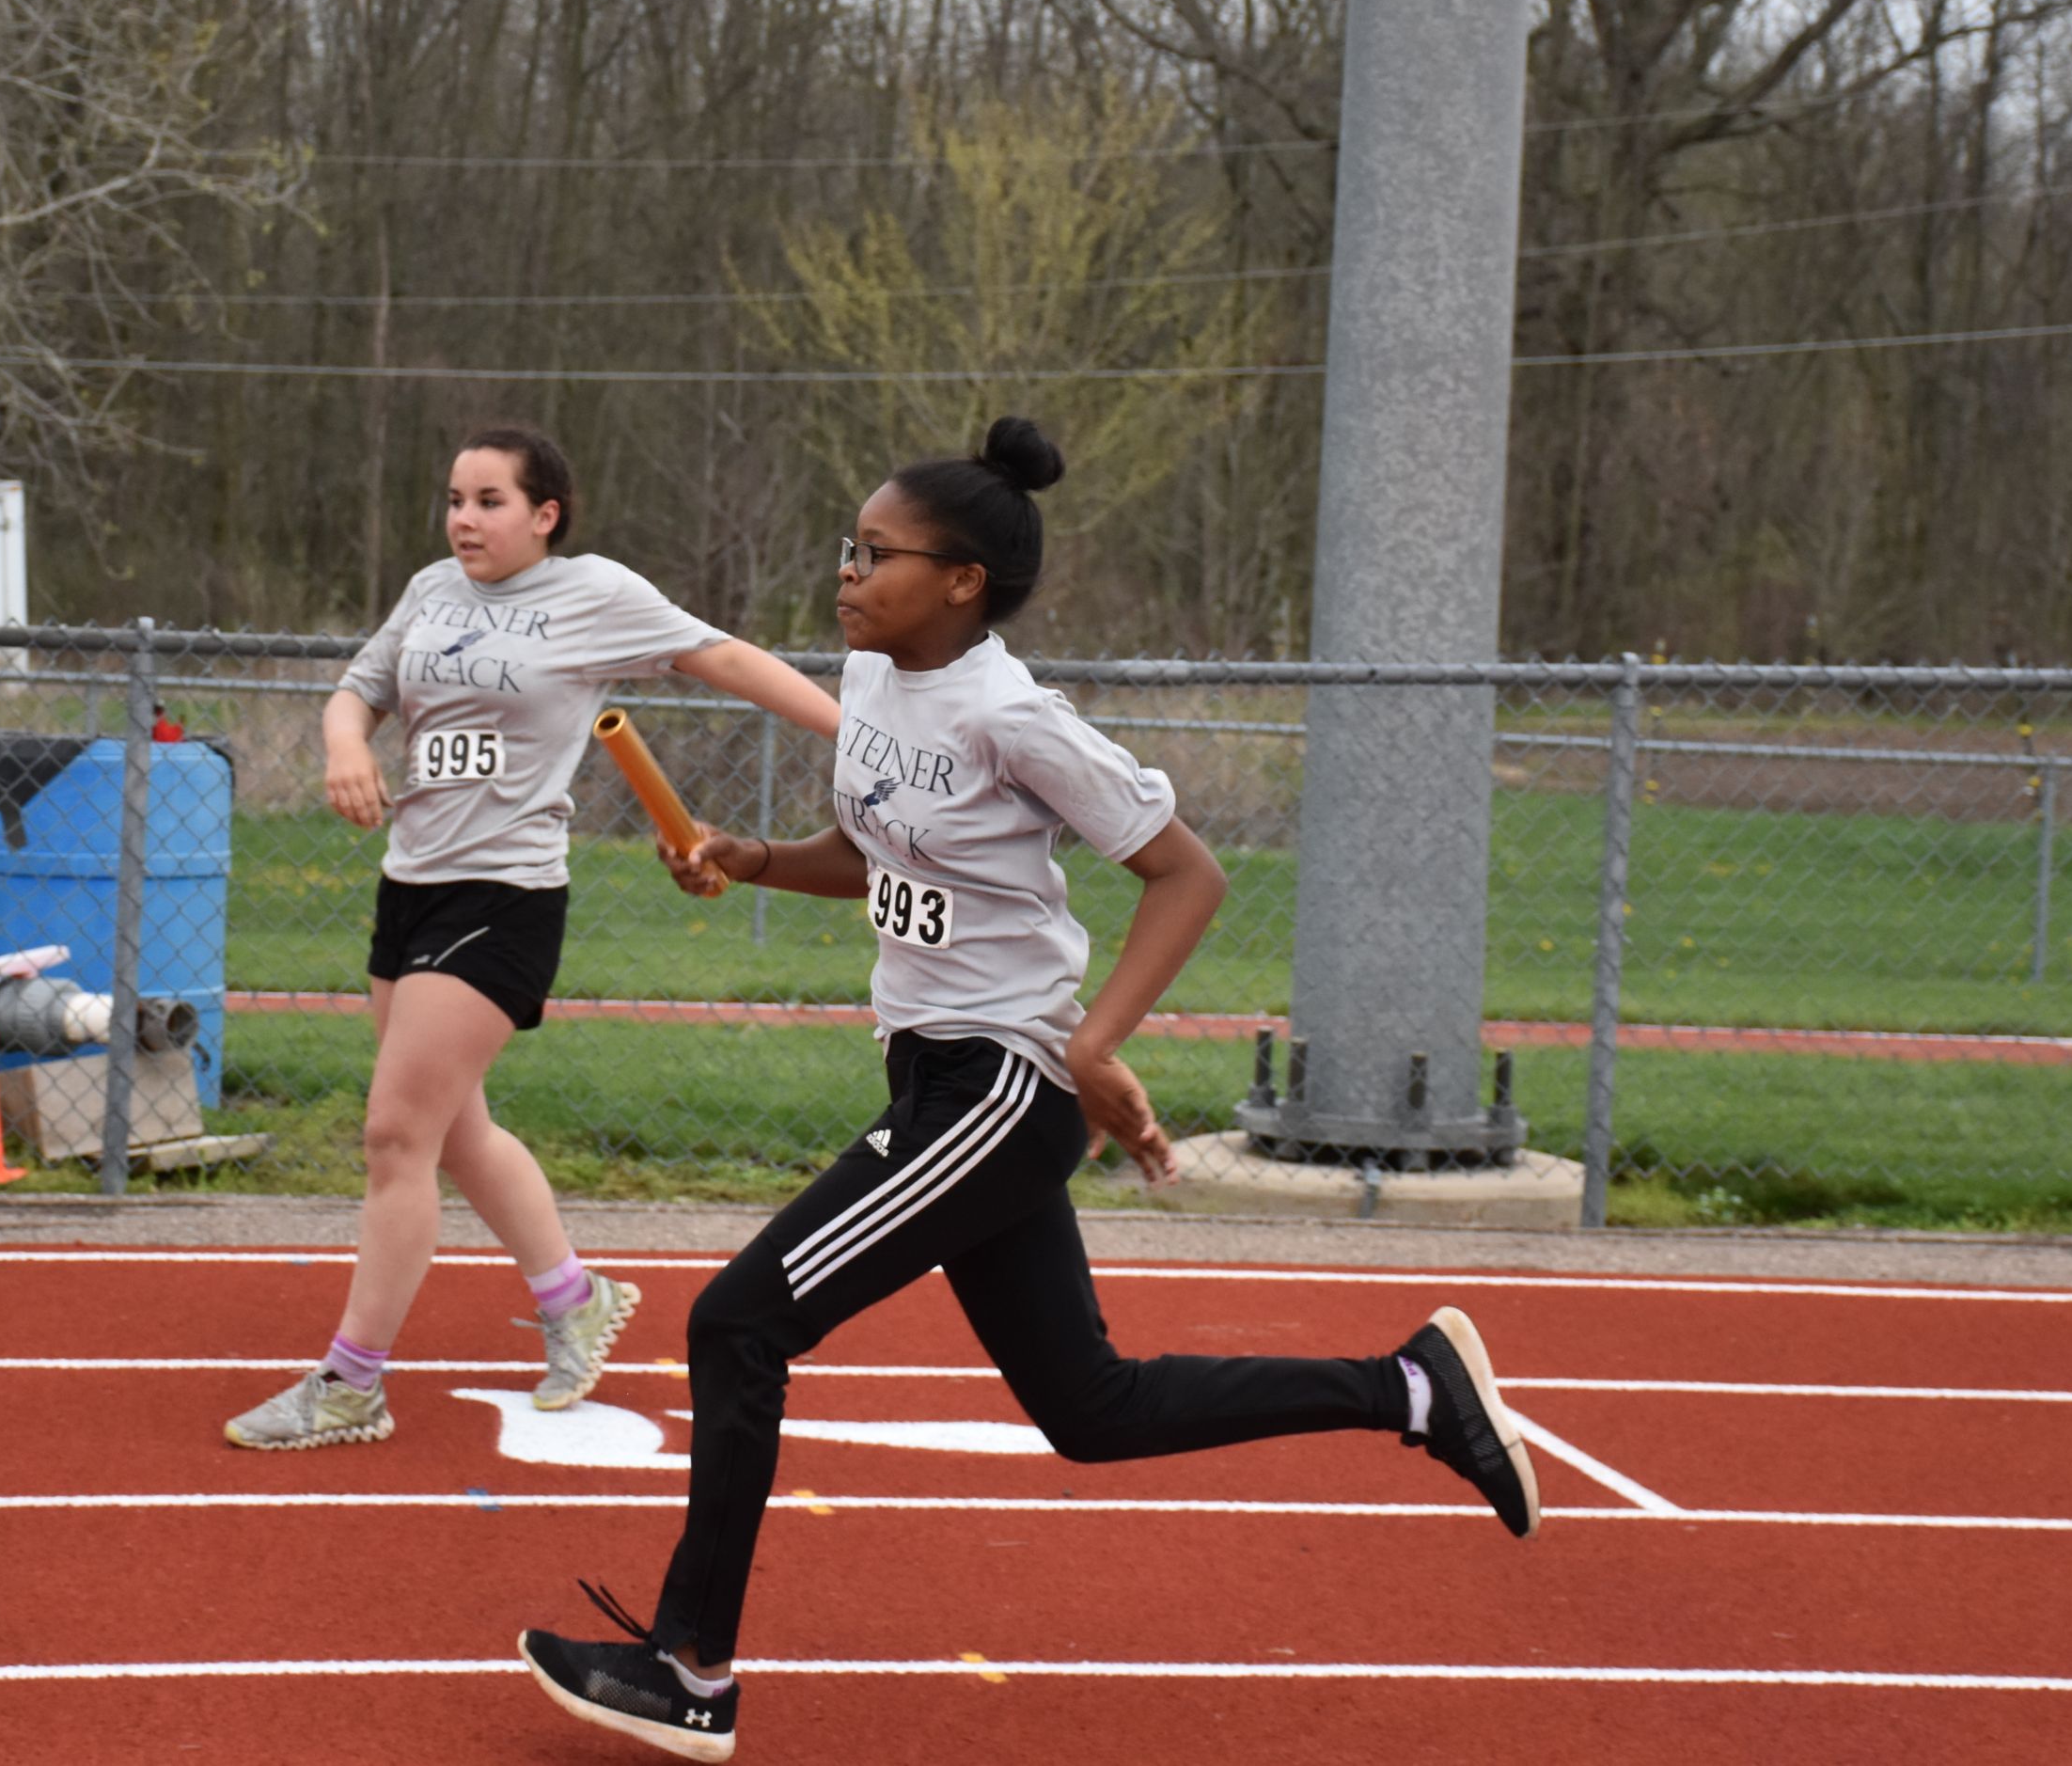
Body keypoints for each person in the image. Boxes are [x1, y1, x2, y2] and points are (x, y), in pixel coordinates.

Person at [517, 418, 1538, 1761]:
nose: (848, 571)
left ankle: (689, 1668)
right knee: (1091, 1411)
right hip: (937, 1072)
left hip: (1000, 1083)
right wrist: (754, 856)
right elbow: (881, 853)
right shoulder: (874, 680)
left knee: (736, 1323)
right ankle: (1412, 1390)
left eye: (878, 555)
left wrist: (1100, 1043)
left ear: (962, 584)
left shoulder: (1015, 717)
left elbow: (1187, 873)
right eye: (850, 547)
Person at [224, 427, 841, 1452]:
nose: (463, 518)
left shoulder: (592, 592)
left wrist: (854, 727)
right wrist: (343, 745)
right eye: (454, 498)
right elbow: (358, 689)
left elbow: (721, 656)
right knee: (454, 1131)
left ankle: (351, 1384)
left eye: (489, 500)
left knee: (393, 1135)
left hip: (502, 894)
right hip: (410, 885)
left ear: (543, 513)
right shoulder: (430, 589)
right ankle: (573, 1294)